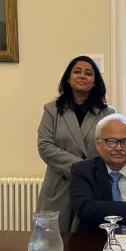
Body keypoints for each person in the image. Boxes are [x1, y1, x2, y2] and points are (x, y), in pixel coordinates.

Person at [37, 55, 115, 233]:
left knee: (90, 243)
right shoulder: (52, 110)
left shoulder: (108, 113)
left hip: (94, 186)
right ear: (68, 78)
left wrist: (89, 172)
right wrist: (80, 168)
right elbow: (45, 146)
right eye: (77, 71)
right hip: (59, 184)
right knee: (54, 240)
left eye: (88, 73)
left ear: (95, 82)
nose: (82, 76)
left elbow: (111, 146)